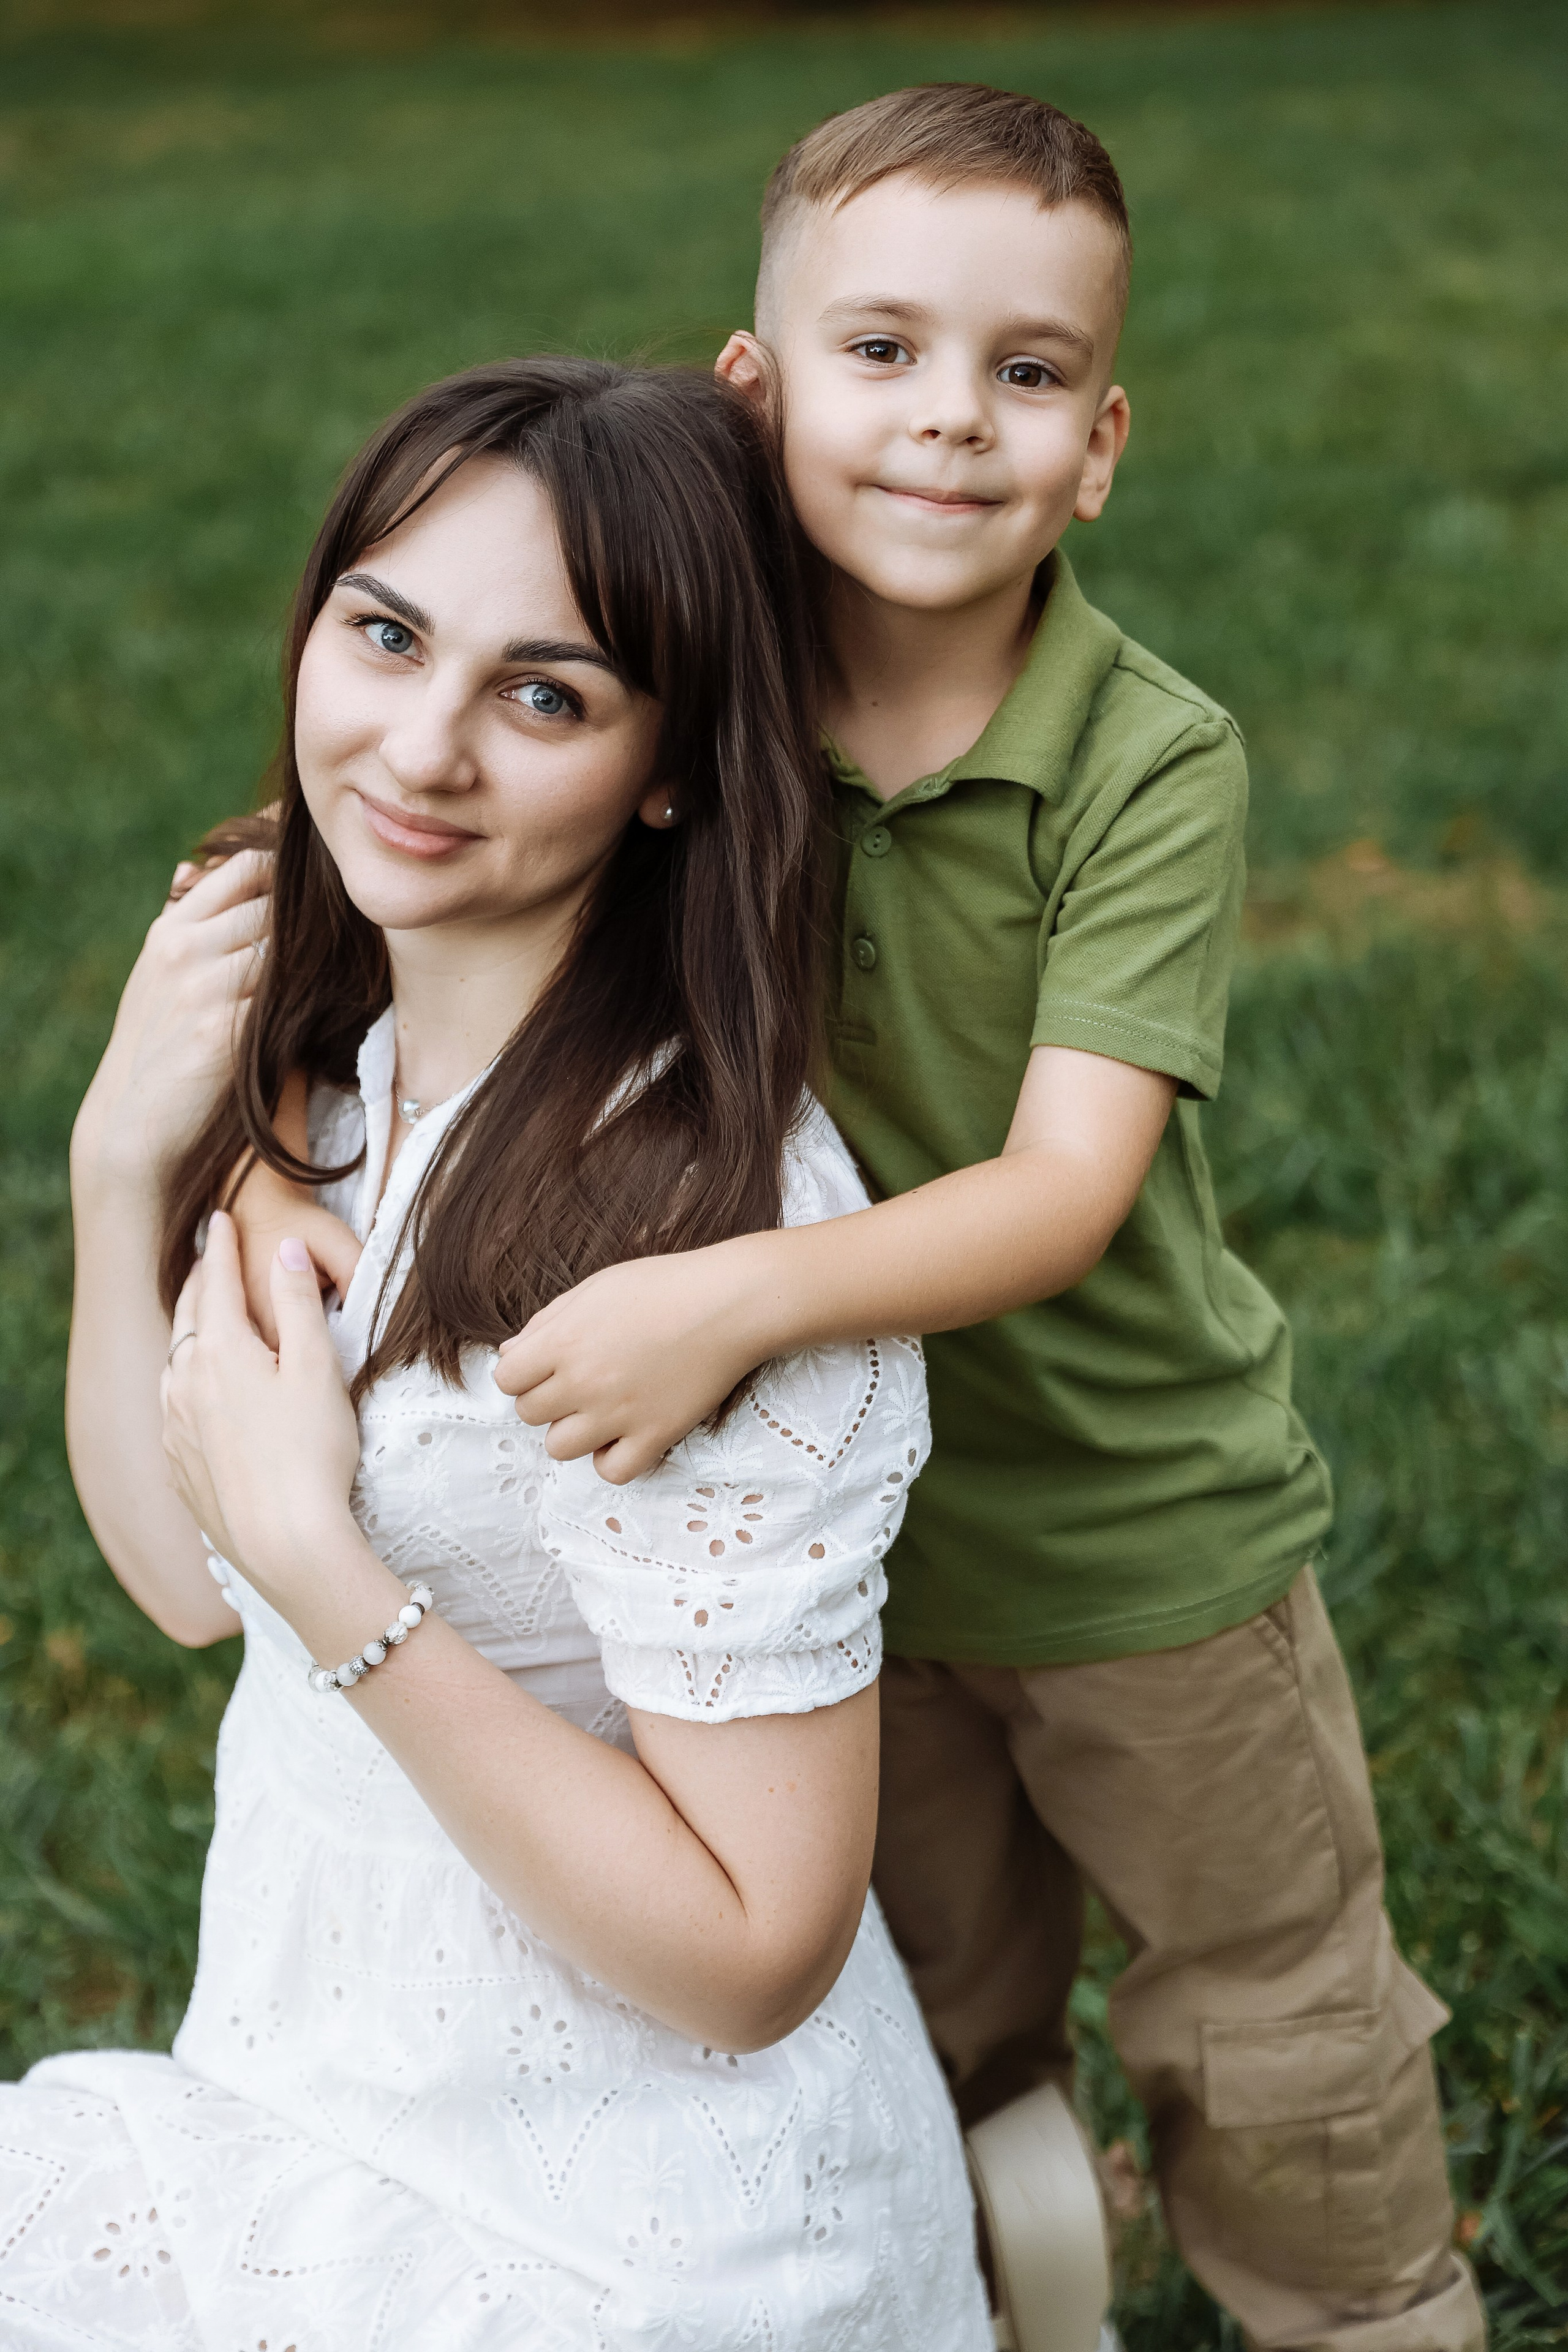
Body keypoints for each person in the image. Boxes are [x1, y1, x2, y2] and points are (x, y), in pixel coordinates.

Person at [196, 86, 1484, 2352]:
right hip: (821, 1573)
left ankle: (1363, 2311)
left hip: (1129, 1526)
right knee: (942, 1993)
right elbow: (376, 858)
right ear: (753, 391)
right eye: (881, 350)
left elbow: (1066, 1189)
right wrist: (250, 1150)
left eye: (1027, 371)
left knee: (1266, 2008)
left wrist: (728, 1300)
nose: (950, 419)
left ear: (1102, 446)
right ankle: (977, 2280)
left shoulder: (1143, 758)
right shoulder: (693, 683)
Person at [2, 357, 992, 2351]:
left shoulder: (698, 1248)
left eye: (544, 697)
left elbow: (755, 1954)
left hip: (635, 2228)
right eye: (386, 636)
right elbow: (186, 1584)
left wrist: (331, 1579)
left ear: (672, 766)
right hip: (307, 2075)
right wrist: (122, 1170)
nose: (420, 749)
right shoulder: (329, 1052)